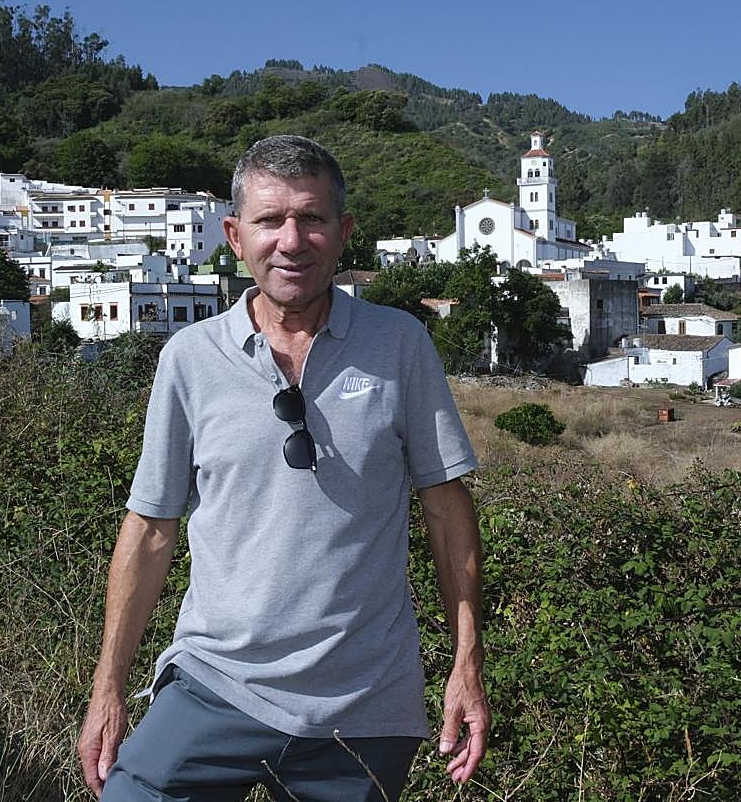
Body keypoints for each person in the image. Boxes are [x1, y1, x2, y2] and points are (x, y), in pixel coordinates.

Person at [78, 134, 489, 801]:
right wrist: (109, 689)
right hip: (215, 684)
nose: (292, 240)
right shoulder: (190, 359)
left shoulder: (399, 344)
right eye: (270, 220)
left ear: (344, 231)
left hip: (364, 706)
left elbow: (446, 509)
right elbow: (150, 528)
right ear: (235, 236)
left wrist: (467, 663)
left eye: (312, 218)